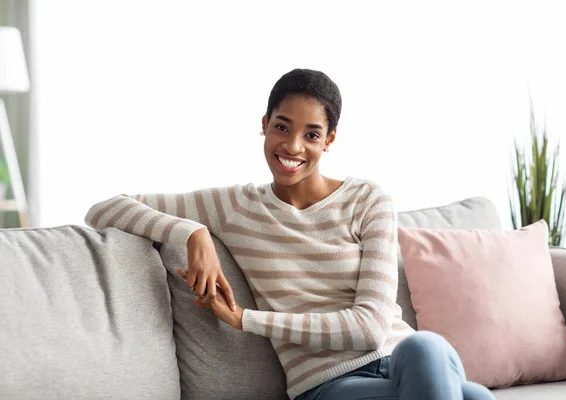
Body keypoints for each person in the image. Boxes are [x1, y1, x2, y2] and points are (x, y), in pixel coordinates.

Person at [84, 68, 495, 400]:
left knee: (425, 347)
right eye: (282, 127)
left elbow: (370, 328)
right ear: (264, 125)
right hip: (330, 385)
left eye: (311, 134)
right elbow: (104, 209)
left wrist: (247, 319)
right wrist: (191, 233)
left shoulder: (370, 200)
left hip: (406, 361)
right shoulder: (234, 206)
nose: (293, 146)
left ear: (329, 139)